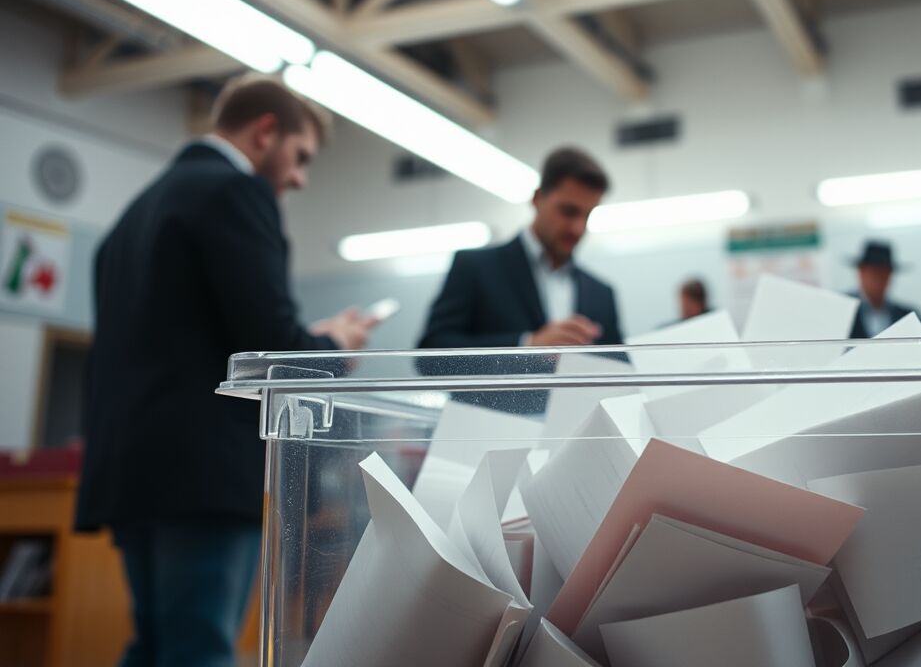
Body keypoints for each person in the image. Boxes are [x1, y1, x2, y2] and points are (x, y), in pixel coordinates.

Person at [75, 75, 375, 667]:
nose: (298, 179)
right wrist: (334, 344)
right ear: (266, 132)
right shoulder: (236, 194)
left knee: (156, 646)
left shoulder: (131, 217)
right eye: (300, 157)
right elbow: (274, 347)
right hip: (202, 478)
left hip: (131, 474)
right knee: (201, 650)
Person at [419, 147, 622, 351]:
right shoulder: (475, 268)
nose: (578, 228)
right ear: (537, 199)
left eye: (587, 215)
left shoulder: (601, 294)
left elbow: (620, 374)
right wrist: (527, 345)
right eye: (568, 212)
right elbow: (432, 352)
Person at [848, 240, 921, 338]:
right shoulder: (842, 312)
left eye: (884, 273)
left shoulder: (908, 316)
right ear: (861, 272)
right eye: (874, 273)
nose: (879, 279)